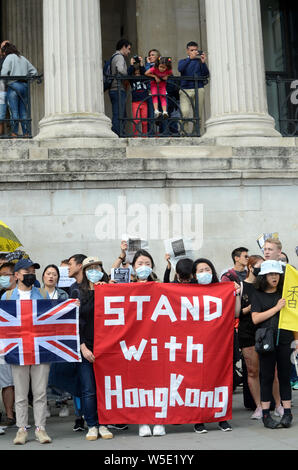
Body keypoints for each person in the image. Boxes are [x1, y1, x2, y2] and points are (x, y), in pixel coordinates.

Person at [1, 258, 52, 445]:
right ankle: (21, 429)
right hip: (18, 350)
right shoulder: (6, 297)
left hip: (40, 349)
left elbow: (53, 320)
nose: (31, 275)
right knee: (21, 393)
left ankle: (40, 429)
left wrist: (71, 309)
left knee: (40, 392)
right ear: (16, 275)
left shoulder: (43, 294)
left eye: (33, 271)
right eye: (27, 272)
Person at [192, 257, 240, 433]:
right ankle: (199, 419)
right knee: (198, 382)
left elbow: (235, 313)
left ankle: (222, 417)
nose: (204, 273)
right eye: (200, 270)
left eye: (207, 269)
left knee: (220, 380)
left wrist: (236, 294)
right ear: (194, 275)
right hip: (196, 346)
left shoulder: (222, 290)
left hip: (219, 344)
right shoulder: (187, 292)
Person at [251, 260, 296, 429]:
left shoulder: (285, 293)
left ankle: (287, 413)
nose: (274, 277)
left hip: (285, 339)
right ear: (264, 277)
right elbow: (256, 318)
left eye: (276, 274)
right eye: (270, 274)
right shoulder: (258, 295)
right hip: (266, 341)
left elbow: (294, 317)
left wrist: (296, 340)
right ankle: (265, 415)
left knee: (285, 376)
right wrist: (276, 308)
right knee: (267, 377)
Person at [78, 256, 113, 441]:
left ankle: (104, 423)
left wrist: (108, 289)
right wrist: (83, 346)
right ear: (84, 272)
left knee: (105, 388)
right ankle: (92, 424)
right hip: (87, 348)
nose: (93, 271)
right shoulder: (78, 292)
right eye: (89, 268)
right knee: (89, 388)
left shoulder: (109, 289)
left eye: (96, 267)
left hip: (107, 348)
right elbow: (76, 322)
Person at [130, 249, 165, 437]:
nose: (144, 267)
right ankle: (142, 421)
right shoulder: (125, 287)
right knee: (140, 383)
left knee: (159, 382)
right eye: (140, 264)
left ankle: (159, 420)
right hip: (136, 343)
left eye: (147, 263)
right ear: (133, 268)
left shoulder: (160, 286)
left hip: (158, 341)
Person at [238, 255, 264, 419]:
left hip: (265, 330)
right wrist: (251, 308)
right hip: (247, 332)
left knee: (270, 370)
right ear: (250, 267)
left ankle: (272, 403)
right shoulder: (240, 286)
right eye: (258, 266)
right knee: (252, 370)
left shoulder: (265, 284)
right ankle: (259, 406)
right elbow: (236, 313)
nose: (261, 270)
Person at [0, 42, 37, 137]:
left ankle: (14, 133)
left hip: (13, 86)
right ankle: (26, 133)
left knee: (14, 111)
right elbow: (34, 72)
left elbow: (3, 73)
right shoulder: (23, 58)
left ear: (6, 51)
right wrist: (28, 80)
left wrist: (6, 82)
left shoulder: (9, 58)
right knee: (24, 112)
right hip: (24, 86)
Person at [178, 41, 209, 135]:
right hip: (185, 89)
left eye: (196, 50)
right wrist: (189, 59)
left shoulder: (199, 62)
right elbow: (180, 69)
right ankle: (184, 132)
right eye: (192, 50)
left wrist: (203, 62)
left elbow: (206, 74)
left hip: (198, 88)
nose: (194, 52)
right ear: (187, 51)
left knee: (197, 114)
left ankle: (196, 132)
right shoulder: (183, 61)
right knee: (185, 112)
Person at [108, 38, 132, 136]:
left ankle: (118, 132)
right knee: (119, 113)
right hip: (117, 88)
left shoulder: (114, 56)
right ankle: (117, 133)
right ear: (124, 47)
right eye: (129, 49)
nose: (129, 51)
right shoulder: (119, 57)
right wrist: (128, 74)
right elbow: (120, 70)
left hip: (114, 89)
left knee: (119, 113)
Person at [127, 56, 149, 136]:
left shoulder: (144, 79)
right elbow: (128, 74)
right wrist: (131, 65)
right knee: (136, 120)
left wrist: (142, 64)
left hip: (144, 101)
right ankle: (135, 135)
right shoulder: (132, 80)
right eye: (136, 74)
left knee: (144, 121)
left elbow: (145, 73)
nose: (137, 75)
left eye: (139, 73)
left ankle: (144, 135)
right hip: (135, 102)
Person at [145, 49, 161, 135]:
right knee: (151, 114)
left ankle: (163, 132)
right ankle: (150, 133)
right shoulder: (148, 65)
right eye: (150, 55)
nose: (151, 57)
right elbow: (146, 72)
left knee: (162, 114)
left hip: (160, 92)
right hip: (151, 92)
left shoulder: (161, 65)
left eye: (153, 55)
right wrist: (148, 64)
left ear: (158, 57)